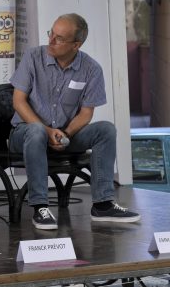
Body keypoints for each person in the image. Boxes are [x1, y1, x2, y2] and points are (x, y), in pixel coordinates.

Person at [10, 13, 140, 230]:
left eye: (59, 38)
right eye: (51, 33)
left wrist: (66, 134)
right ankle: (40, 207)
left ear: (76, 45)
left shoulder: (91, 69)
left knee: (106, 130)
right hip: (25, 133)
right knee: (36, 131)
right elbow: (18, 101)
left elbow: (86, 113)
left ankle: (103, 204)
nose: (51, 40)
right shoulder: (33, 57)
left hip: (64, 135)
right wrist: (47, 130)